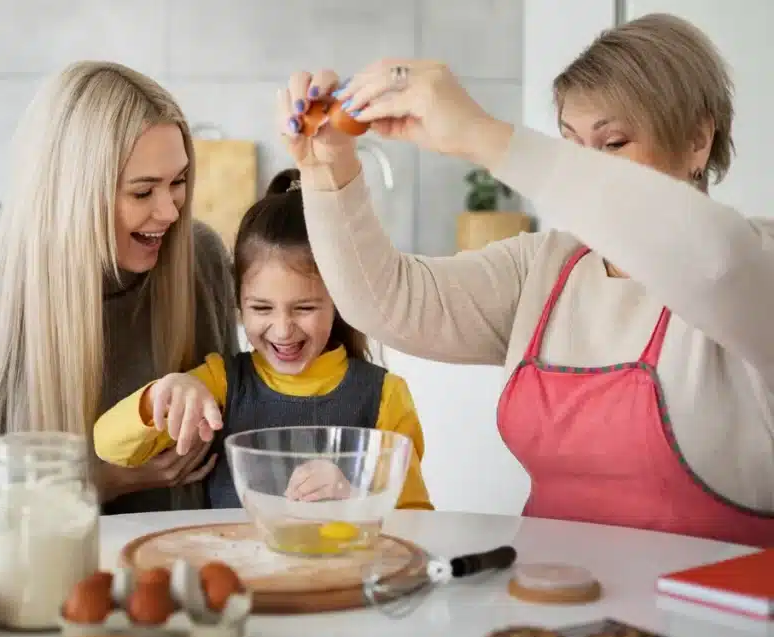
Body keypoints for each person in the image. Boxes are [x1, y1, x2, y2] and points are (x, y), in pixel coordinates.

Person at [277, 13, 774, 546]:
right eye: (568, 144)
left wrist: (483, 137)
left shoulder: (752, 266)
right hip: (546, 611)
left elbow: (714, 264)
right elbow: (389, 301)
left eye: (611, 145)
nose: (583, 174)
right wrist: (328, 166)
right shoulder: (547, 269)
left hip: (717, 620)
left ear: (698, 140)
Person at [0, 61, 239, 538]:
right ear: (74, 195)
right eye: (143, 191)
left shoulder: (198, 260)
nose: (168, 211)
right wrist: (94, 483)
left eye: (178, 182)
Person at [93, 168, 433, 511]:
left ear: (339, 301)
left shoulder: (386, 398)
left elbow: (416, 519)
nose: (283, 329)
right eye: (261, 307)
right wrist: (161, 397)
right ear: (239, 302)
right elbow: (108, 446)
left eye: (304, 307)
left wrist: (355, 498)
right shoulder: (220, 383)